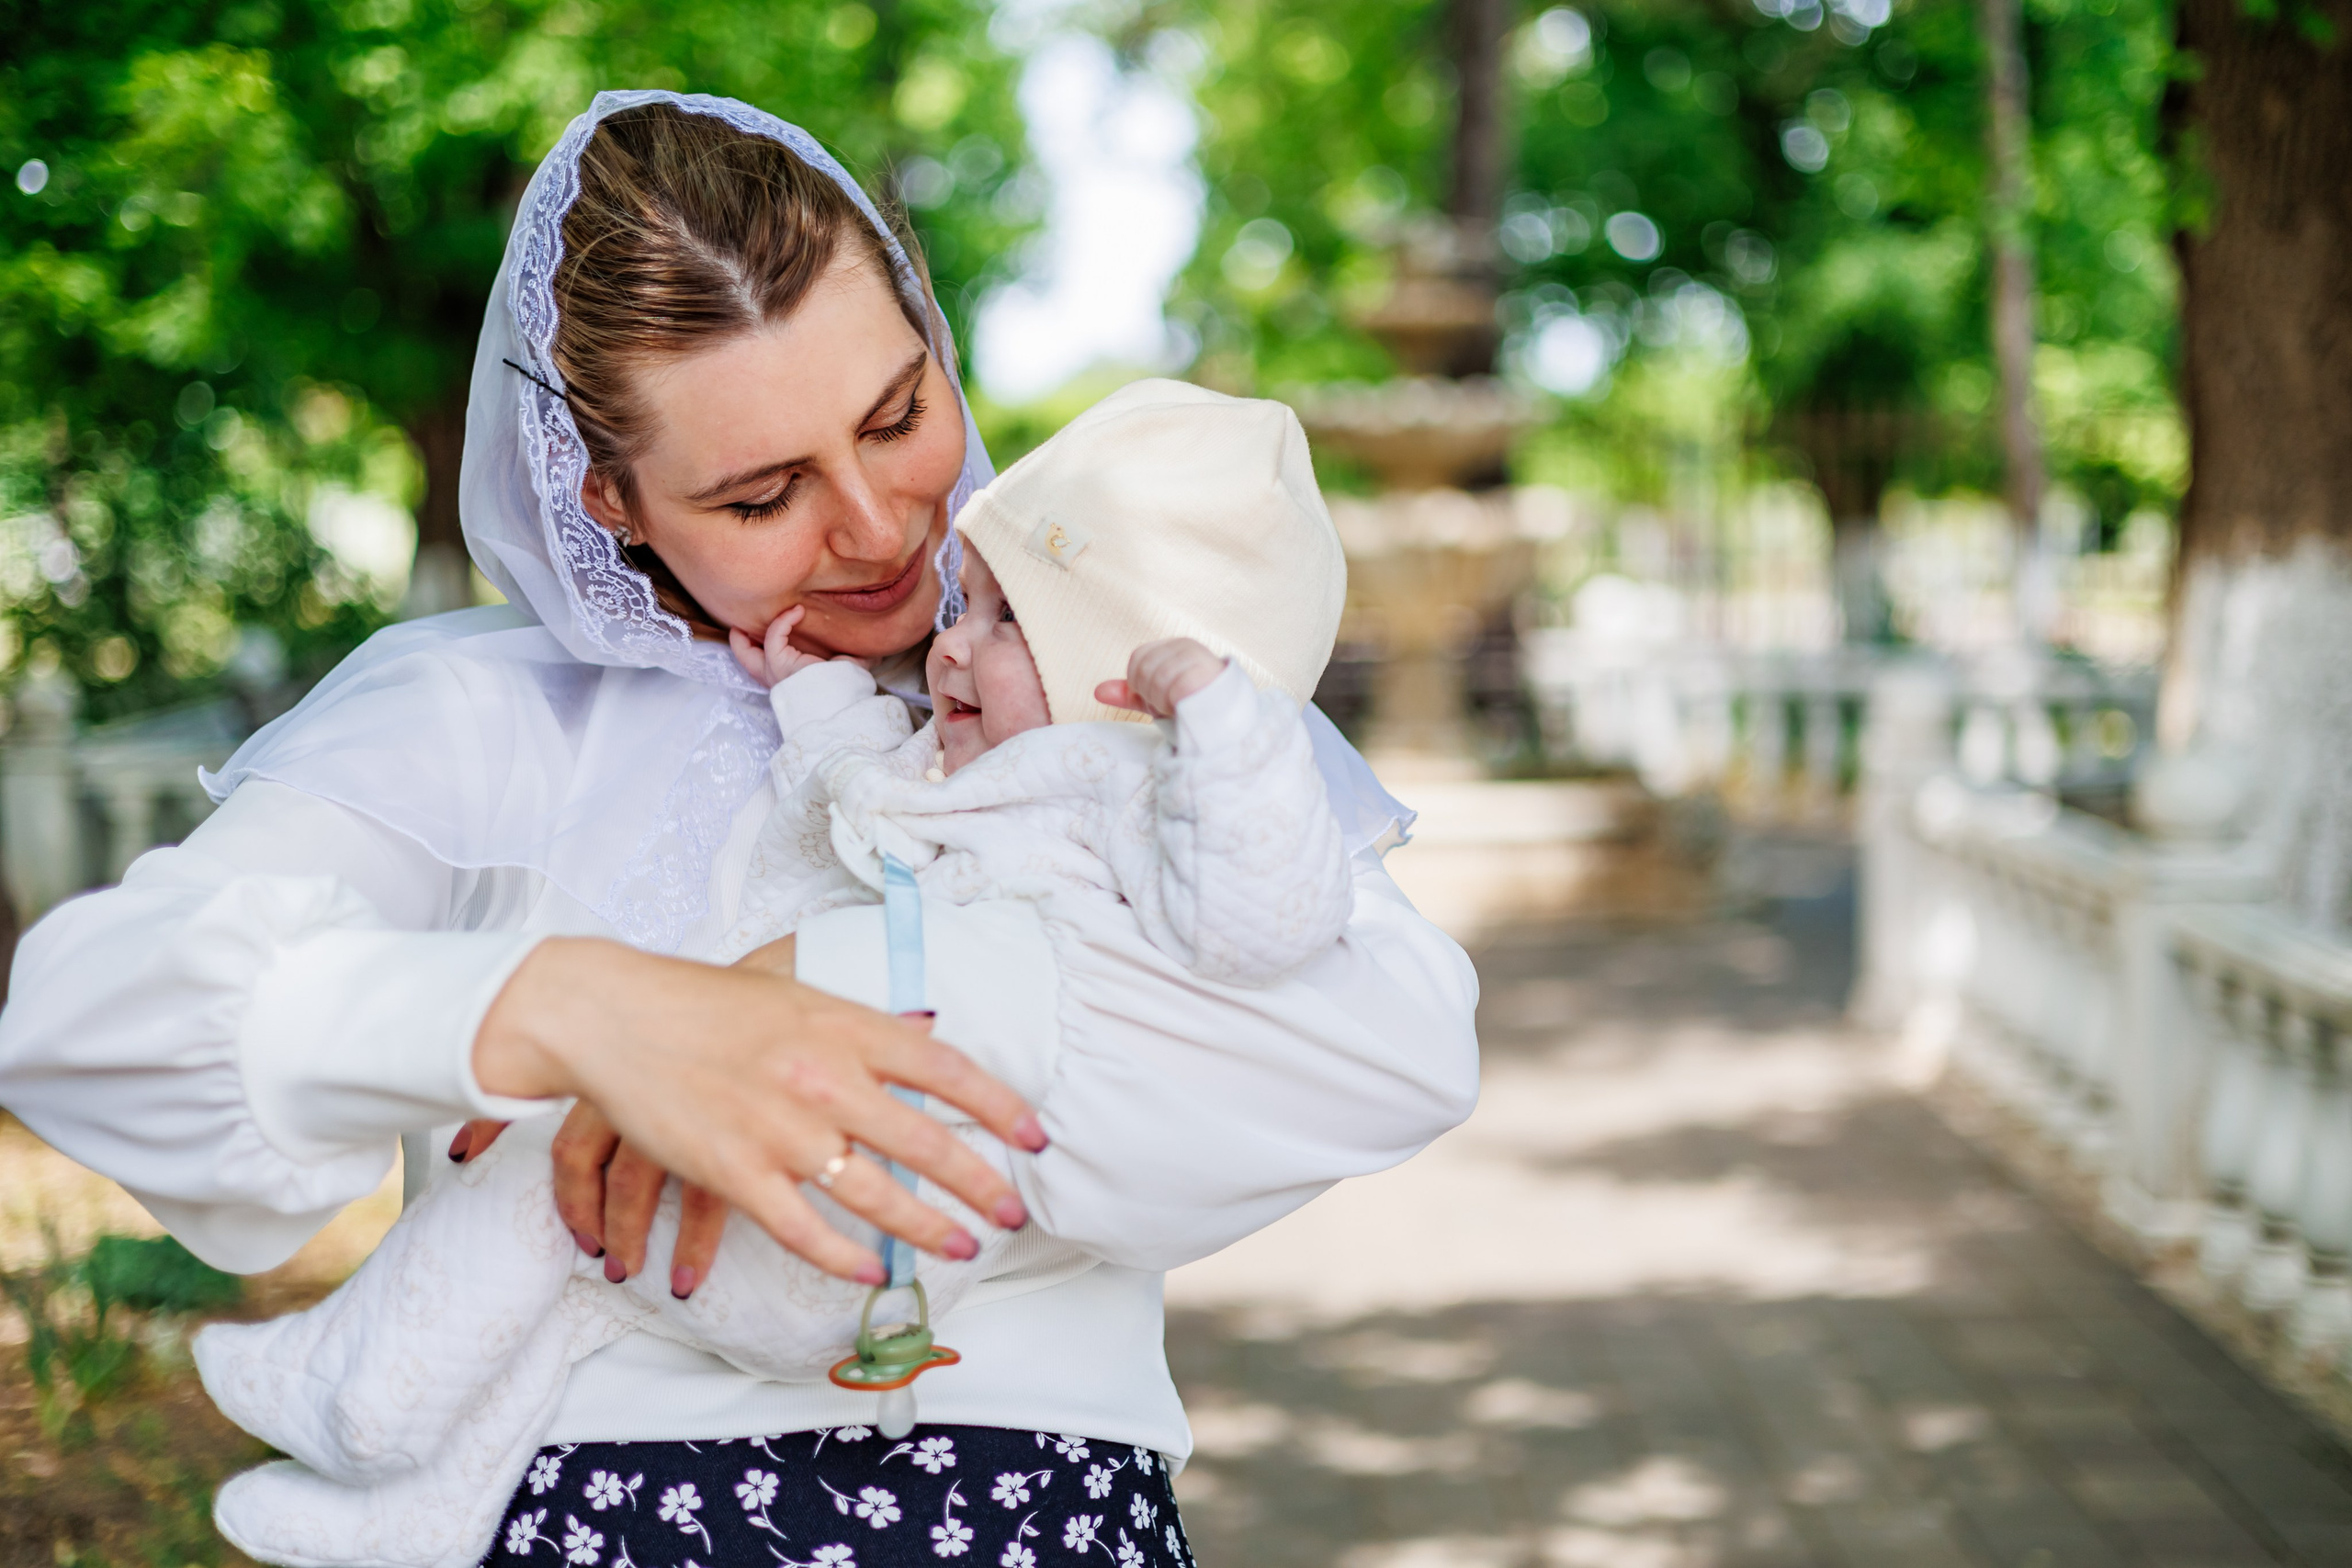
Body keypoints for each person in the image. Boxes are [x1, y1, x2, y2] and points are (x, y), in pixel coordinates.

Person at [0, 93, 1478, 1568]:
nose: (881, 526)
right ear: (613, 499)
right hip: (591, 1521)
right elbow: (91, 1021)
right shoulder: (473, 718)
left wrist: (820, 985)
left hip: (1036, 1523)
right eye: (764, 494)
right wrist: (569, 1010)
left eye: (899, 414)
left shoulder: (1105, 679)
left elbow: (1390, 1050)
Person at [195, 378, 1364, 1562]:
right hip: (847, 1259)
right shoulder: (971, 771)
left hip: (853, 1232)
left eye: (1008, 623)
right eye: (973, 602)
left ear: (1120, 678)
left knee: (550, 1172)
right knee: (569, 1306)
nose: (951, 639)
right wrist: (812, 696)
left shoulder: (1133, 808)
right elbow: (864, 792)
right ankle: (414, 1510)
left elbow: (1278, 926)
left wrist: (1230, 744)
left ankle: (348, 1389)